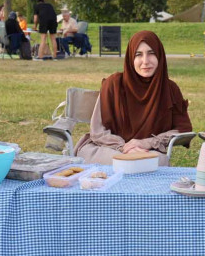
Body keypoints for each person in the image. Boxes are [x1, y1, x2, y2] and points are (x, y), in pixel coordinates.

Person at [74, 31, 193, 165]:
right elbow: (98, 132)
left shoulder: (170, 89)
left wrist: (147, 143)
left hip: (147, 152)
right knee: (124, 162)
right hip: (108, 149)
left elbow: (183, 130)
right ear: (131, 58)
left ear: (160, 55)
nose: (145, 61)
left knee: (157, 161)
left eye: (151, 53)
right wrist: (124, 147)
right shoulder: (113, 84)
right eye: (138, 54)